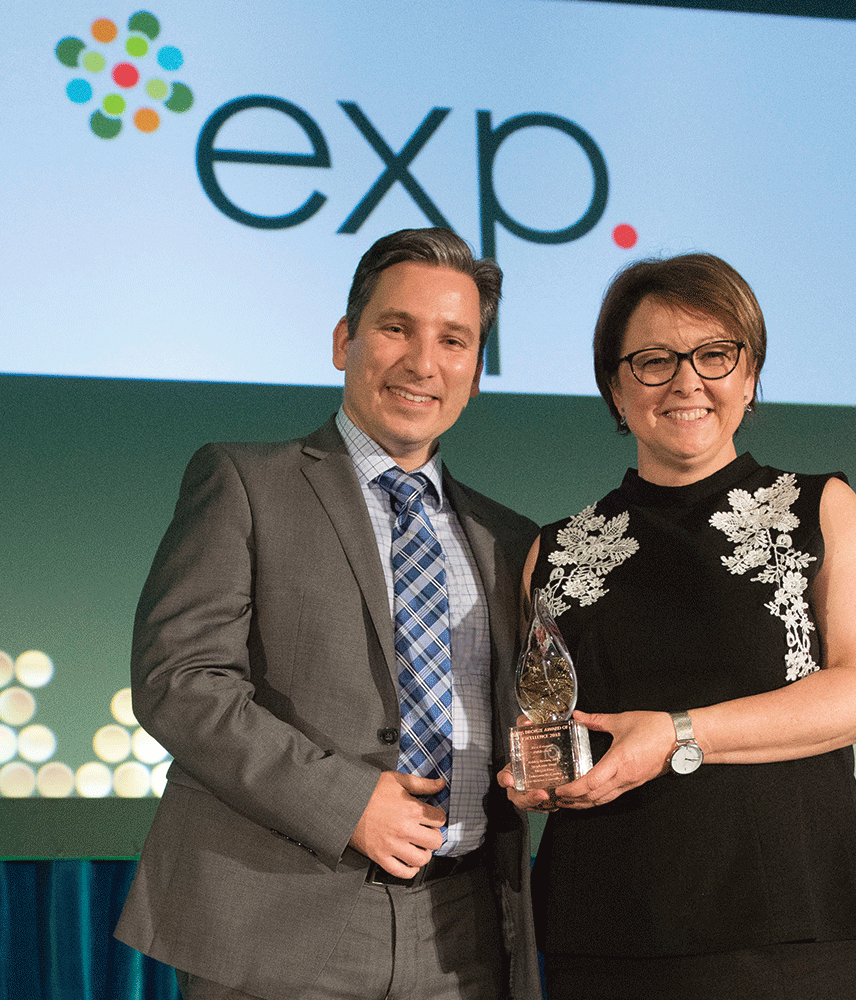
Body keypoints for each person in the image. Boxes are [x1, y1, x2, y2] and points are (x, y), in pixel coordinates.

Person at [115, 228, 542, 1000]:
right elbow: (180, 681)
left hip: (466, 932)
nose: (423, 362)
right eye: (395, 328)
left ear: (476, 372)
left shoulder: (507, 538)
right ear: (345, 340)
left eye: (455, 340)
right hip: (278, 918)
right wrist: (346, 803)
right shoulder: (245, 481)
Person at [500, 253, 856, 999]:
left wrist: (675, 734)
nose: (687, 381)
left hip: (793, 921)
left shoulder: (816, 509)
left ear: (748, 378)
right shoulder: (553, 551)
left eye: (714, 355)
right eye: (655, 361)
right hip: (609, 928)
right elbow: (547, 719)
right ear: (616, 390)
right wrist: (537, 776)